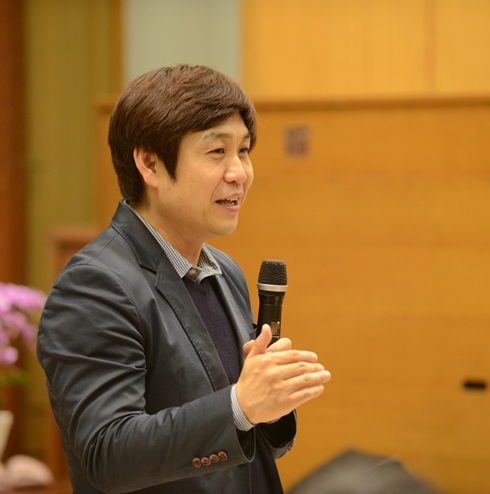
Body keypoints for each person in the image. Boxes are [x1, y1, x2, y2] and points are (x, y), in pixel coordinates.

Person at [37, 64, 331, 494]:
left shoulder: (225, 271)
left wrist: (270, 400)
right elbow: (107, 453)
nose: (239, 172)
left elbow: (241, 440)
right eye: (217, 152)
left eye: (244, 150)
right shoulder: (95, 285)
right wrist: (239, 405)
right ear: (150, 164)